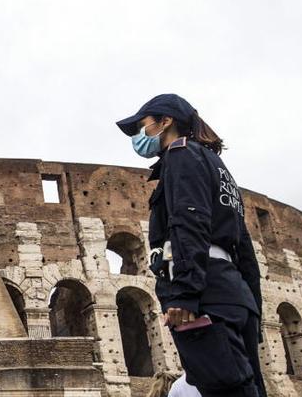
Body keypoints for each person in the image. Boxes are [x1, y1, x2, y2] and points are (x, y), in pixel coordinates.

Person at [116, 94, 265, 397]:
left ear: (165, 121)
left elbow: (188, 222)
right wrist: (253, 308)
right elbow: (245, 251)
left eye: (142, 126)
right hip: (234, 294)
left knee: (221, 388)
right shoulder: (218, 168)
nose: (138, 135)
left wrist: (184, 292)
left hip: (203, 292)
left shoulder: (181, 156)